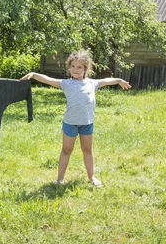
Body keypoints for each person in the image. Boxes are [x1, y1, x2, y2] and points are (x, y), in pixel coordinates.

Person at [20, 50, 131, 187]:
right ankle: (60, 179)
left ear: (85, 69)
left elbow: (107, 81)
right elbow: (48, 80)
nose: (75, 70)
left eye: (79, 67)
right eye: (72, 66)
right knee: (66, 150)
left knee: (87, 150)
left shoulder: (92, 83)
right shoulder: (66, 84)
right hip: (70, 124)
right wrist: (34, 75)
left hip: (87, 124)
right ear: (69, 68)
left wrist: (119, 80)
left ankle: (92, 177)